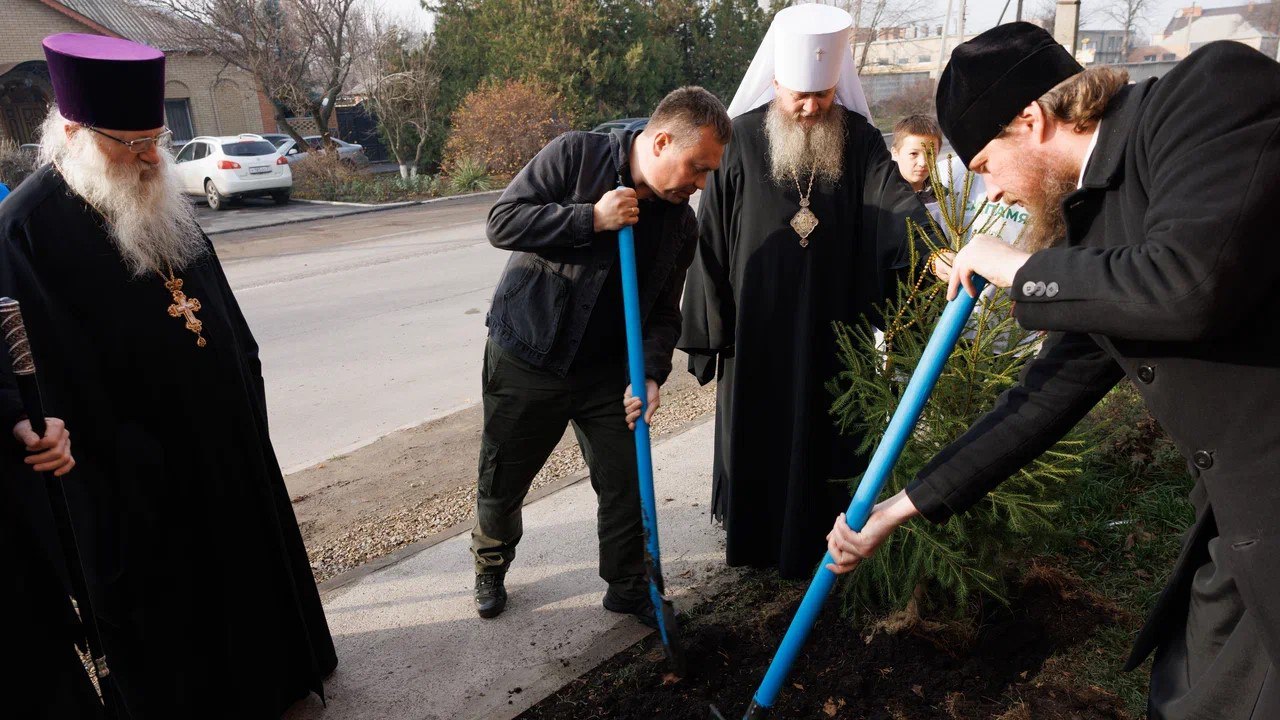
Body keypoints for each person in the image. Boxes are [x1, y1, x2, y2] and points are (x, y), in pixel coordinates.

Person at [825, 23, 1280, 719]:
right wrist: (900, 507)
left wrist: (1020, 269)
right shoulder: (1098, 224)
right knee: (1184, 691)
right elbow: (1046, 394)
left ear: (1030, 120)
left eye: (983, 167)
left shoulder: (1208, 95)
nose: (995, 196)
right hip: (1241, 518)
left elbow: (1190, 283)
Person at [0, 34, 335, 718]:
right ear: (71, 132)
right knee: (177, 609)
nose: (151, 157)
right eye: (129, 143)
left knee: (250, 565)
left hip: (225, 438)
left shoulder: (158, 192)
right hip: (131, 468)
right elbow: (38, 374)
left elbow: (212, 308)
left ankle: (284, 673)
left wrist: (243, 384)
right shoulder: (23, 232)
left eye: (156, 138)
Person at [678, 3, 930, 580]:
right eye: (800, 96)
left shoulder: (860, 139)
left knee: (827, 440)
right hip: (756, 337)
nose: (811, 107)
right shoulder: (739, 140)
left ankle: (825, 546)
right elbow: (709, 239)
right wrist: (708, 333)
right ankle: (759, 551)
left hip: (831, 328)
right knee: (758, 441)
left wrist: (932, 252)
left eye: (822, 96)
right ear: (775, 84)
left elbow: (896, 206)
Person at [471, 86, 731, 621]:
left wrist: (652, 375)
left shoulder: (681, 223)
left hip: (609, 374)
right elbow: (503, 222)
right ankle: (490, 564)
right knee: (503, 477)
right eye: (697, 168)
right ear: (661, 141)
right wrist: (589, 218)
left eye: (708, 174)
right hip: (529, 357)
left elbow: (663, 313)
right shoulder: (576, 156)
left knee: (624, 484)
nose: (701, 184)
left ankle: (629, 586)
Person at [890, 114, 943, 204]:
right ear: (895, 153)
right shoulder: (885, 200)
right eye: (913, 153)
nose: (922, 163)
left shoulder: (944, 196)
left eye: (930, 153)